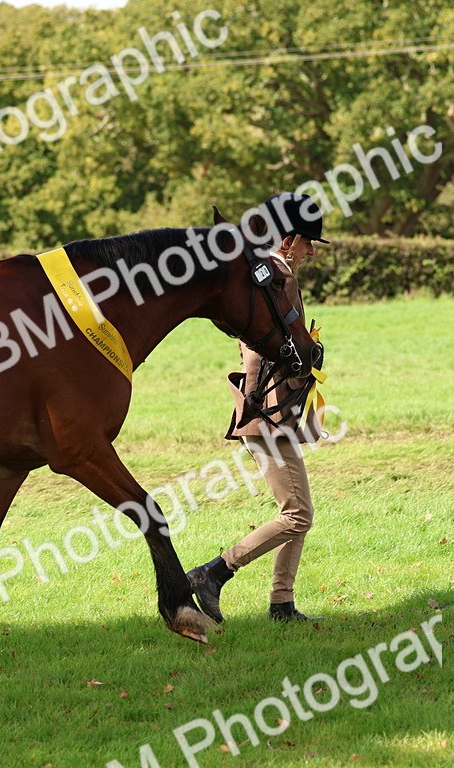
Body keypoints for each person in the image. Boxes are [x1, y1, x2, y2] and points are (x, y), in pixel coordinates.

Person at [187, 192, 330, 624]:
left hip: (273, 412)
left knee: (299, 511)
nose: (309, 252)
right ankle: (213, 573)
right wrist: (272, 395)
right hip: (268, 414)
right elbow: (254, 349)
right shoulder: (278, 274)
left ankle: (282, 603)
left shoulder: (269, 272)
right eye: (307, 242)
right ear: (287, 239)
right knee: (298, 512)